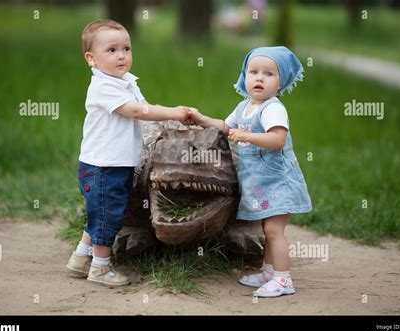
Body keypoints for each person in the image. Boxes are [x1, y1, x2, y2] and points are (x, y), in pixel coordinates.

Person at [66, 19, 194, 286]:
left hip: (116, 164)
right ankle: (100, 267)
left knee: (99, 212)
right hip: (102, 166)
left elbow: (146, 108)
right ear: (91, 58)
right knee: (109, 215)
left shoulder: (125, 82)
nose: (121, 55)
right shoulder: (104, 86)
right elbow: (136, 111)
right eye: (111, 50)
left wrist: (174, 118)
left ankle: (80, 258)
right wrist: (172, 112)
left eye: (126, 48)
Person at [189, 46, 312, 297]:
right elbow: (226, 126)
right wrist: (202, 119)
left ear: (281, 82)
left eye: (269, 74)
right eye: (253, 71)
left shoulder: (273, 108)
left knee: (274, 231)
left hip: (279, 180)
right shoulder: (245, 106)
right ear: (244, 76)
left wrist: (247, 136)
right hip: (261, 182)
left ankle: (283, 279)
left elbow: (277, 139)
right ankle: (269, 272)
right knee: (267, 230)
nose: (259, 78)